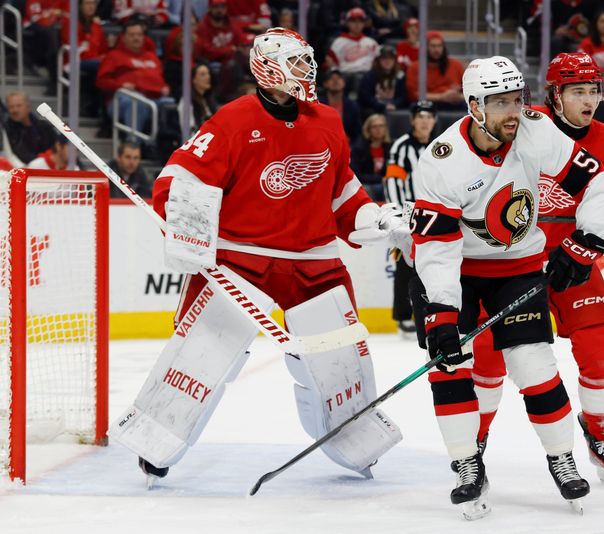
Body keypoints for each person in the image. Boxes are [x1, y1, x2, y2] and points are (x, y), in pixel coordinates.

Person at [123, 28, 407, 485]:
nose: (307, 72)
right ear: (269, 67)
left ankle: (354, 439)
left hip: (312, 260)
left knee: (337, 356)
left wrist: (371, 218)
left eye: (306, 62)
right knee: (205, 350)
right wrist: (184, 211)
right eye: (297, 64)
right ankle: (158, 435)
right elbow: (182, 177)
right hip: (240, 259)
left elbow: (342, 194)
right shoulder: (232, 121)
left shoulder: (328, 122)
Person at [463, 53, 604, 493]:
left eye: (594, 90)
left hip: (576, 262)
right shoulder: (522, 128)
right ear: (555, 95)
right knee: (489, 359)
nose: (590, 100)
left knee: (599, 350)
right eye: (578, 92)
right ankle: (473, 444)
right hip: (511, 265)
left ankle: (601, 437)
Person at [409, 55, 604, 518]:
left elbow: (601, 186)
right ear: (473, 105)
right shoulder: (441, 160)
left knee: (533, 363)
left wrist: (586, 242)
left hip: (517, 267)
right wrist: (443, 313)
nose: (513, 111)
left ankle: (562, 457)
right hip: (456, 273)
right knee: (449, 369)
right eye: (499, 102)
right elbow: (436, 248)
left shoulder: (535, 130)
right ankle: (468, 463)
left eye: (516, 99)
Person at [383, 100, 436, 334]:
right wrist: (400, 217)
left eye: (429, 116)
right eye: (421, 116)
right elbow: (393, 180)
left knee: (439, 262)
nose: (425, 121)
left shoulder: (441, 145)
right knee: (406, 264)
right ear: (413, 120)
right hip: (409, 211)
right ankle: (404, 316)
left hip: (438, 211)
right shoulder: (401, 147)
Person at [95, 19, 174, 134]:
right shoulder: (114, 56)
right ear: (123, 37)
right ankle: (133, 145)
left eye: (139, 35)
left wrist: (165, 87)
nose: (136, 38)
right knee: (137, 103)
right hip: (124, 99)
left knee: (171, 103)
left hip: (154, 98)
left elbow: (160, 79)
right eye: (132, 35)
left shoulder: (152, 57)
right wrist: (120, 86)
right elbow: (101, 82)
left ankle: (170, 145)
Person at [60, 0, 109, 117]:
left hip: (95, 62)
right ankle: (96, 107)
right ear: (80, 6)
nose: (91, 6)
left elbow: (103, 49)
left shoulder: (97, 26)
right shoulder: (71, 23)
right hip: (73, 63)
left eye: (93, 3)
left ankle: (99, 108)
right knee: (102, 66)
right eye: (87, 3)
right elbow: (73, 50)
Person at [405, 31, 464, 110]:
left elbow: (469, 91)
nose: (437, 50)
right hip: (428, 104)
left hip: (454, 104)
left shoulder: (456, 65)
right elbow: (413, 94)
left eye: (439, 46)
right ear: (425, 47)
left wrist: (458, 96)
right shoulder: (415, 67)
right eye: (433, 46)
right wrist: (441, 97)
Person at [324, 7, 380, 85]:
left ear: (364, 24)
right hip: (345, 76)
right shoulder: (339, 42)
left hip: (367, 77)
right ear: (347, 23)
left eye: (360, 21)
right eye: (353, 21)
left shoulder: (371, 43)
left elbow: (378, 63)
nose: (357, 24)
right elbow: (330, 62)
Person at [2, 91, 56, 165]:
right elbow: (22, 155)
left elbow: (56, 148)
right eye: (11, 107)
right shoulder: (5, 130)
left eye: (18, 106)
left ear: (28, 107)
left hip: (49, 167)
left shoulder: (44, 126)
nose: (15, 110)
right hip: (24, 169)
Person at [350, 113, 392, 201]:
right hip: (365, 184)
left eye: (381, 126)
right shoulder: (359, 148)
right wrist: (380, 179)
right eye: (374, 126)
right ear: (368, 130)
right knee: (368, 189)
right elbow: (356, 174)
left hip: (384, 184)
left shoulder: (391, 148)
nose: (378, 129)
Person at [357, 44, 408, 116]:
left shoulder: (400, 75)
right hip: (374, 108)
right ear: (378, 60)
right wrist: (382, 106)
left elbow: (403, 96)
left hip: (393, 106)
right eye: (384, 58)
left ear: (395, 61)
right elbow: (365, 96)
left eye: (391, 58)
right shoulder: (370, 75)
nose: (388, 61)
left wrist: (395, 104)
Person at [318, 68, 361, 142]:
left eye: (339, 78)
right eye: (331, 78)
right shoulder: (318, 105)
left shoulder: (352, 106)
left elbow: (357, 132)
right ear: (325, 84)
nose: (336, 81)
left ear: (344, 83)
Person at [178, 63, 220, 135]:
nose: (208, 77)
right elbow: (189, 131)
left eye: (208, 74)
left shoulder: (209, 100)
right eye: (203, 74)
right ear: (194, 80)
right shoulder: (186, 102)